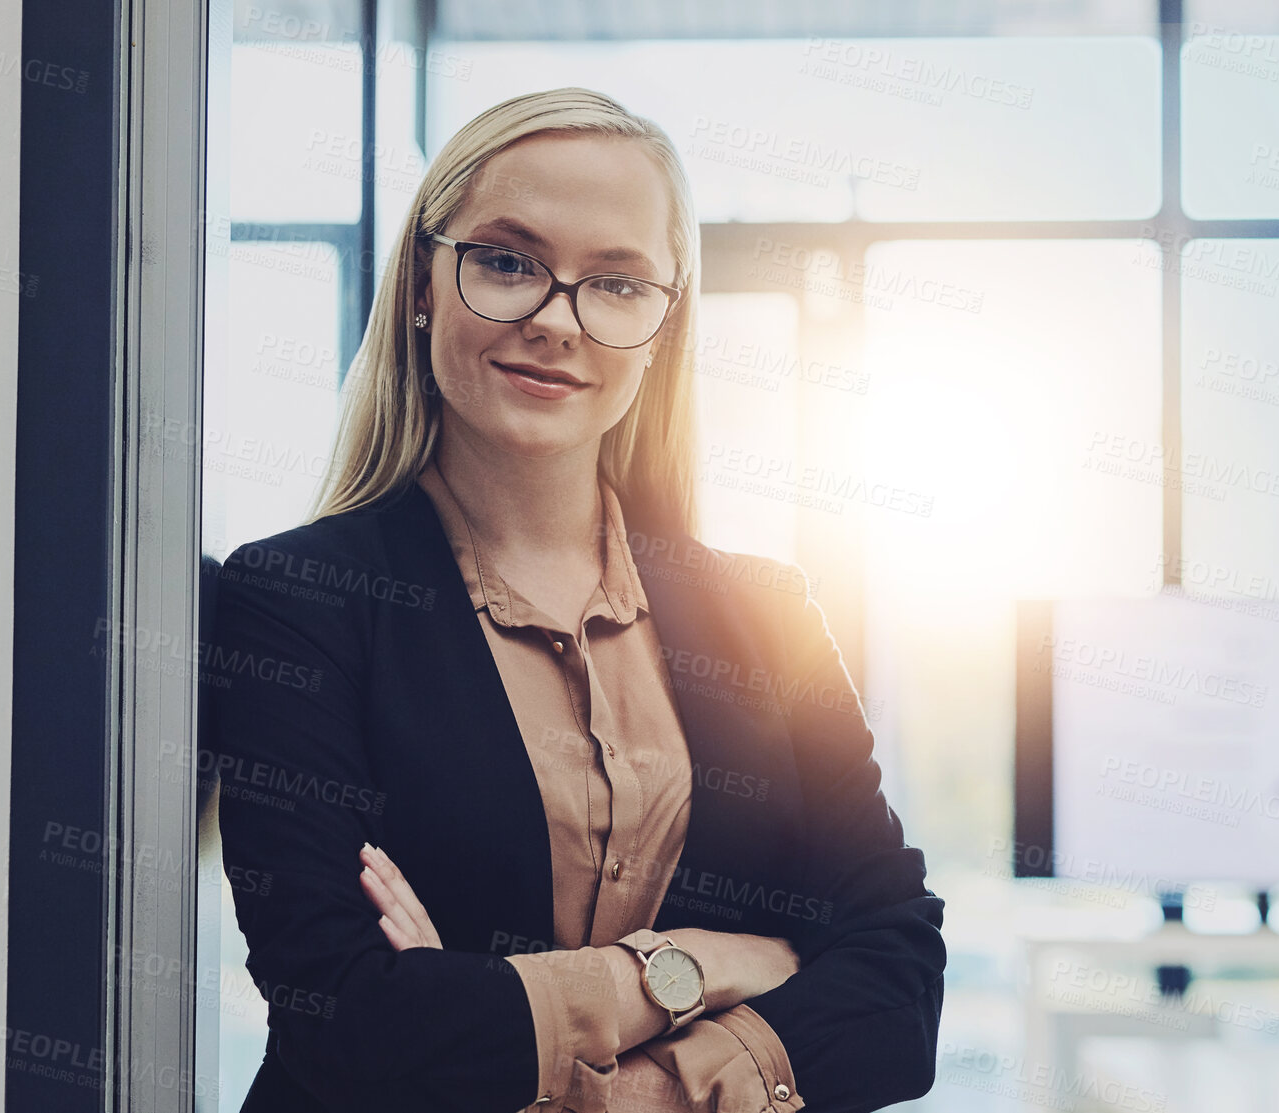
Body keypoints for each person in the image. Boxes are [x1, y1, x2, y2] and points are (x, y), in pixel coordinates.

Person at [208, 86, 945, 1113]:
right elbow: (348, 1020)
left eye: (615, 282)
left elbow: (898, 989)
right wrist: (697, 969)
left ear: (662, 325)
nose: (556, 321)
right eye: (507, 262)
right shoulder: (293, 603)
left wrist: (556, 1061)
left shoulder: (766, 617)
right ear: (424, 281)